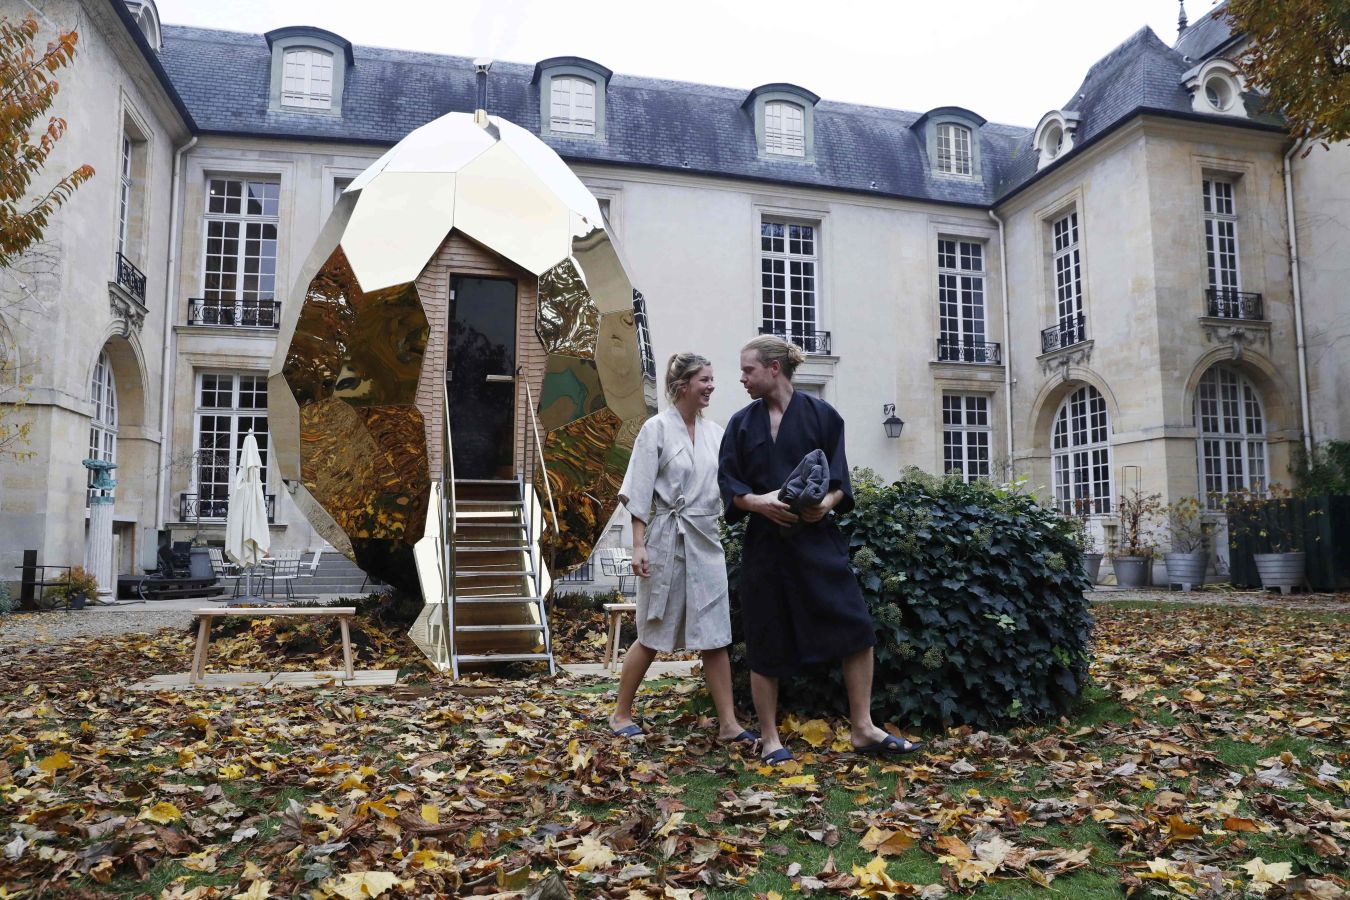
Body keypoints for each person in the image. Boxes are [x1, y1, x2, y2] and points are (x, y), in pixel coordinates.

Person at [718, 335, 921, 764]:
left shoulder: (823, 415)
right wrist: (760, 503)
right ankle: (771, 738)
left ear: (774, 368)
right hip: (764, 546)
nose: (741, 378)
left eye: (747, 370)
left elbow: (839, 483)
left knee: (856, 627)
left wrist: (822, 508)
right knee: (764, 637)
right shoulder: (740, 424)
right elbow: (731, 487)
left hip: (816, 541)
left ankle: (863, 728)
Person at [608, 352, 756, 745]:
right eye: (704, 380)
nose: (711, 386)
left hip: (705, 540)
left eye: (711, 379)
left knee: (715, 633)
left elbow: (734, 483)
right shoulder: (655, 430)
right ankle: (621, 712)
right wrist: (638, 546)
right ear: (682, 385)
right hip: (665, 540)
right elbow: (638, 491)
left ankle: (728, 725)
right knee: (652, 630)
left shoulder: (716, 433)